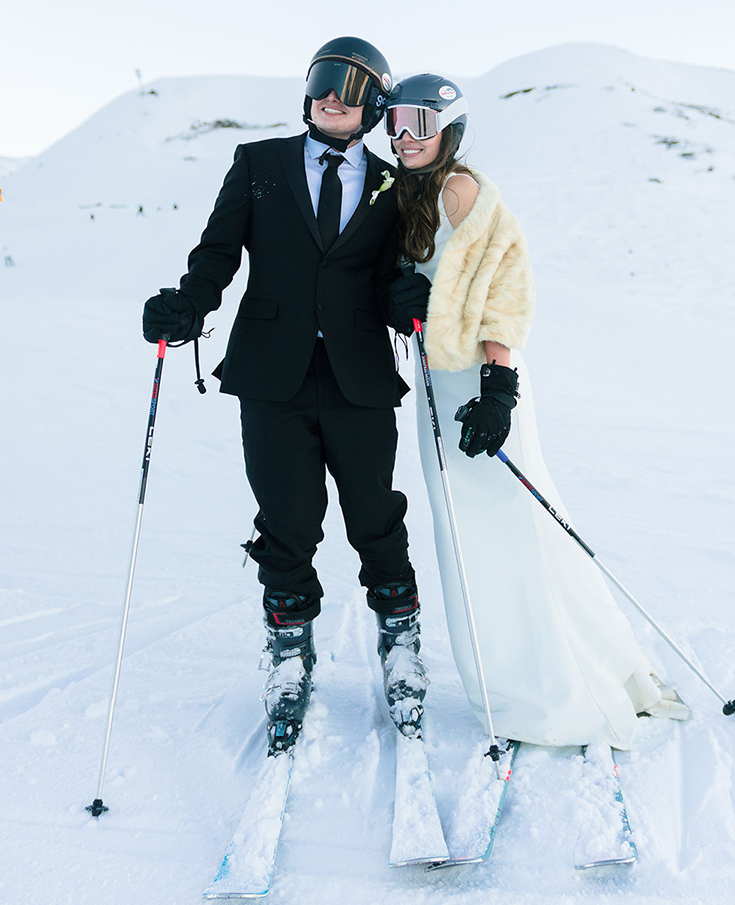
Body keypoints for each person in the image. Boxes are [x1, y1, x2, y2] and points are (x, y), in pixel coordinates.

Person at [383, 73, 689, 750]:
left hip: (478, 389)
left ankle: (548, 694)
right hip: (440, 385)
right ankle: (549, 676)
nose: (406, 137)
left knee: (510, 533)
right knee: (474, 535)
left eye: (422, 124)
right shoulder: (416, 195)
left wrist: (497, 390)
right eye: (398, 122)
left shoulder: (464, 192)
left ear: (451, 132)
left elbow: (504, 294)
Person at [142, 38, 428, 753]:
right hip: (274, 374)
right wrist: (187, 302)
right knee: (288, 518)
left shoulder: (397, 185)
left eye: (351, 87)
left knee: (374, 515)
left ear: (373, 105)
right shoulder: (259, 165)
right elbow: (217, 253)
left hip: (359, 374)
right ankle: (289, 651)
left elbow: (393, 274)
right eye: (323, 83)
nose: (332, 96)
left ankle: (400, 644)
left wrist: (405, 299)